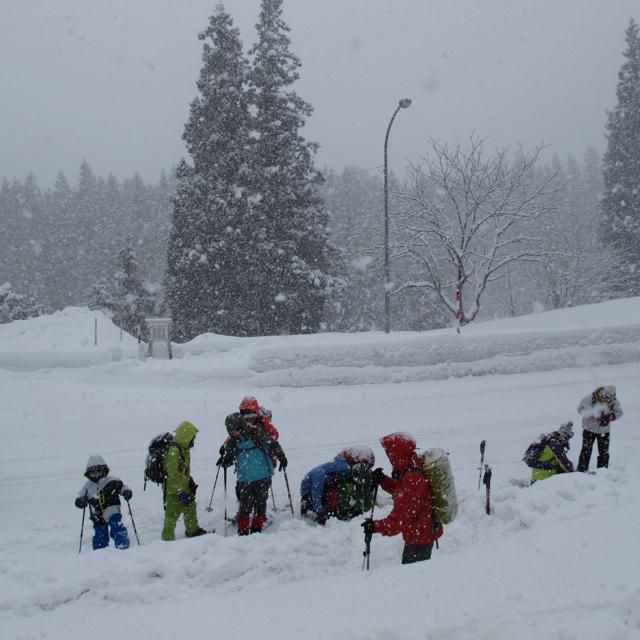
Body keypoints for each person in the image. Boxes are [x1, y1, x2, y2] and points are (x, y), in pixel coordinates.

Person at [362, 432, 443, 565]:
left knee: (413, 578)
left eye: (390, 454)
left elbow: (399, 520)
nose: (390, 458)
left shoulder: (412, 478)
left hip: (419, 537)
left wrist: (375, 526)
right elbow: (401, 492)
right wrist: (383, 480)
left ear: (397, 454)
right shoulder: (412, 465)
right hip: (423, 531)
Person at [218, 412, 288, 535]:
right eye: (230, 431)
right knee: (245, 507)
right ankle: (243, 532)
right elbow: (230, 454)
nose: (233, 433)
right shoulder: (234, 440)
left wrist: (281, 457)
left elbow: (272, 444)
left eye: (234, 430)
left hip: (262, 475)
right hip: (245, 477)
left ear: (240, 426)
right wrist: (225, 461)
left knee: (260, 505)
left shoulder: (256, 432)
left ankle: (256, 530)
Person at [299, 446, 376, 524]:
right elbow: (316, 493)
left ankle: (353, 507)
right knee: (344, 489)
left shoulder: (339, 468)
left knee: (348, 487)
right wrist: (320, 512)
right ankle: (347, 508)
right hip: (312, 493)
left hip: (327, 487)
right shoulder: (320, 474)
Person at [161, 420, 207, 541]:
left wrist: (189, 481)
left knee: (190, 508)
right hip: (172, 491)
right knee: (171, 516)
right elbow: (172, 474)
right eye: (192, 438)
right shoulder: (174, 451)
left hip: (183, 488)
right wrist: (180, 491)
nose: (193, 442)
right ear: (186, 437)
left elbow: (183, 471)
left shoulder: (184, 450)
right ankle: (166, 540)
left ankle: (192, 530)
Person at [75, 455, 131, 550]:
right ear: (89, 473)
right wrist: (81, 501)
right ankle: (99, 551)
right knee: (100, 532)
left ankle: (123, 545)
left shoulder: (112, 481)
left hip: (112, 509)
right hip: (97, 513)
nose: (96, 475)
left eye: (99, 471)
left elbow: (122, 487)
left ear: (104, 470)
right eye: (93, 472)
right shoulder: (87, 486)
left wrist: (126, 492)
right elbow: (79, 498)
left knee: (117, 527)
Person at [576, 385, 624, 471]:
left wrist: (611, 416)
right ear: (603, 393)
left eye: (610, 397)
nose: (607, 398)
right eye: (606, 396)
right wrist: (594, 414)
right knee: (586, 451)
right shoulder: (591, 398)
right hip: (589, 429)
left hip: (604, 430)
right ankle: (581, 471)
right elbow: (579, 409)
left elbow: (619, 412)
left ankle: (602, 471)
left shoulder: (614, 402)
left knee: (604, 452)